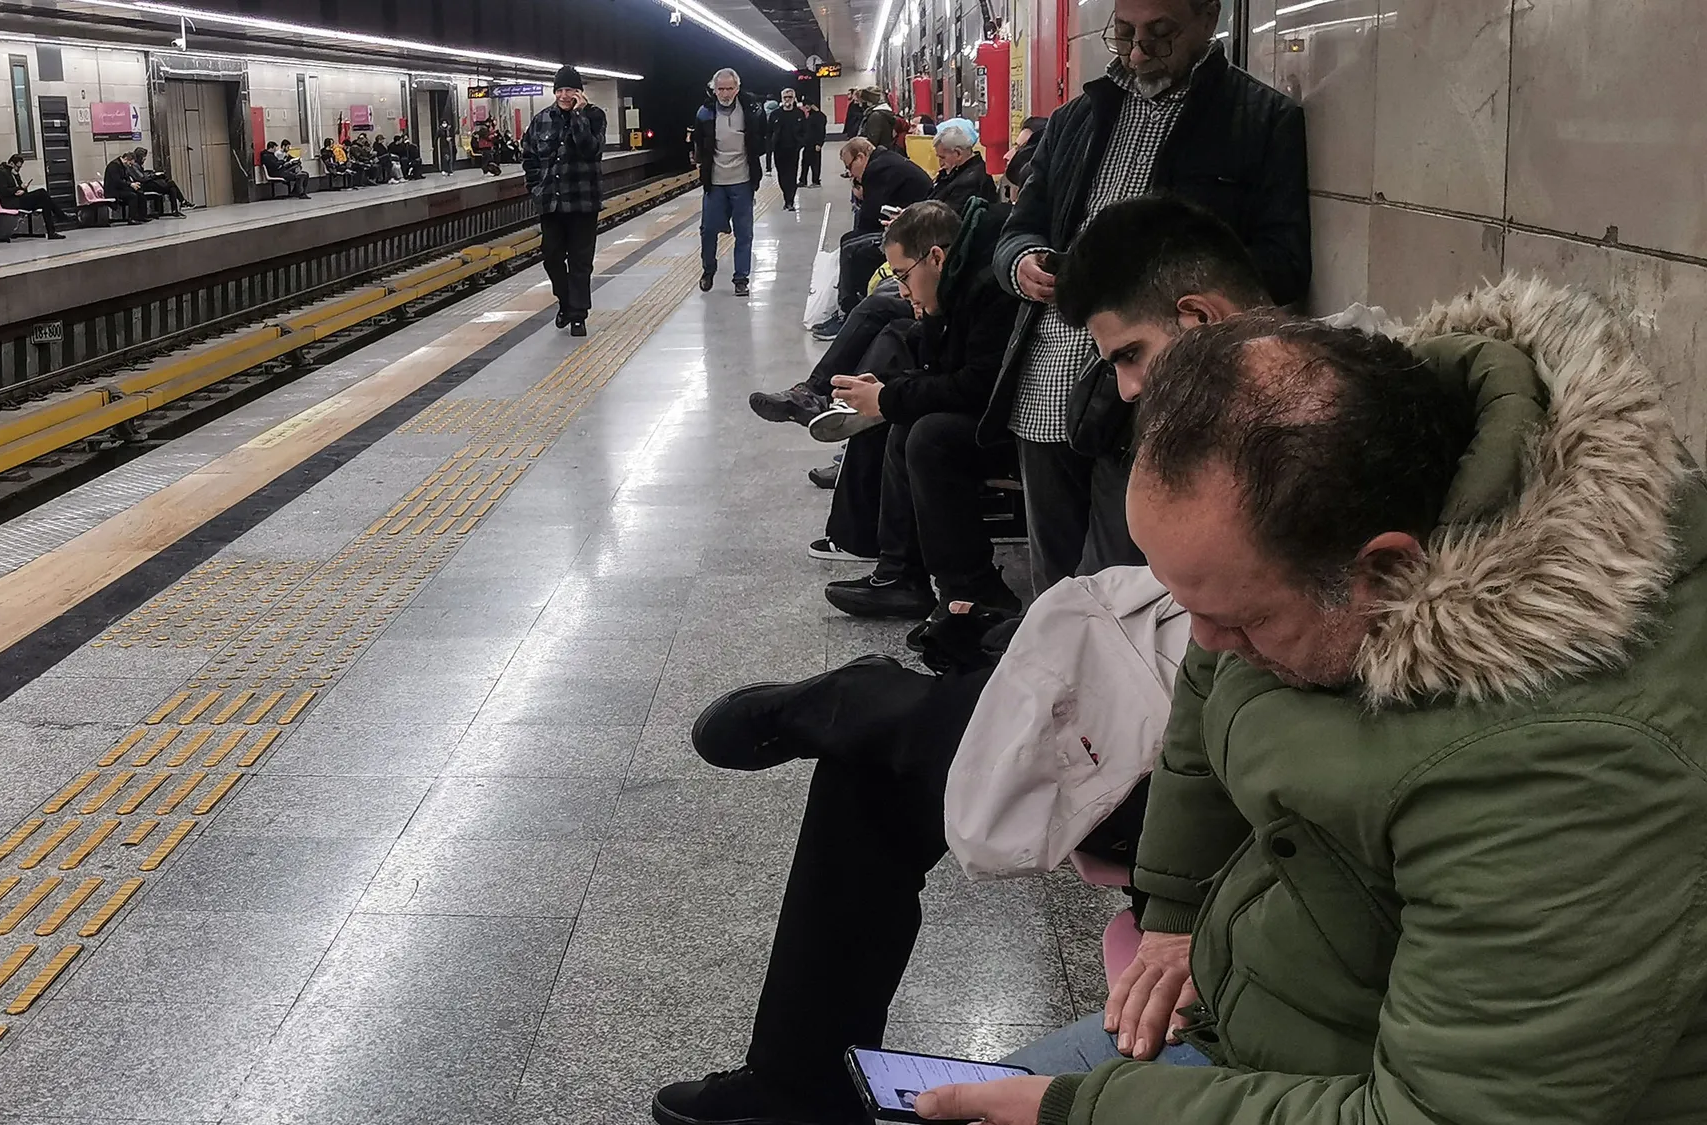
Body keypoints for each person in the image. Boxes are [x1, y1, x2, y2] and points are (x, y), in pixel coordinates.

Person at [911, 278, 1707, 1125]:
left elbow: (1443, 1112)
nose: (1206, 644)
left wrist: (1086, 1112)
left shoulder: (1578, 771)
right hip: (1282, 1010)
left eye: (1238, 618)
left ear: (1392, 572)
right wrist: (1174, 909)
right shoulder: (1340, 534)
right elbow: (1209, 697)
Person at [646, 197, 1317, 1125]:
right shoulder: (1277, 428)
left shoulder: (1322, 452)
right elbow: (1212, 674)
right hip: (1211, 788)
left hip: (1250, 845)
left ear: (1198, 319)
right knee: (882, 763)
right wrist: (1168, 905)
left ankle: (876, 703)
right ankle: (795, 1081)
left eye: (1126, 355)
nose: (1124, 389)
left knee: (898, 742)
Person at [987, 0, 1309, 594]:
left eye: (1160, 36)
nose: (1138, 53)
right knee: (1053, 582)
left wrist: (1169, 289)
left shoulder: (1259, 121)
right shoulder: (1078, 117)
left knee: (1129, 585)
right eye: (1124, 34)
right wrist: (1023, 264)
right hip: (1047, 381)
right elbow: (1017, 229)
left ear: (1208, 19)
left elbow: (1284, 267)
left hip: (1152, 391)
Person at [816, 198, 1024, 622]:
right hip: (991, 411)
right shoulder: (953, 290)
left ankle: (973, 591)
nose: (903, 290)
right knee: (906, 424)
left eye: (903, 276)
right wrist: (891, 391)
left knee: (930, 437)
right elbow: (940, 371)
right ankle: (900, 576)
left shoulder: (989, 290)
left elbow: (977, 385)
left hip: (1018, 422)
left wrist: (890, 398)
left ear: (936, 257)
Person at [808, 137, 931, 339]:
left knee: (854, 249)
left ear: (861, 157)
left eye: (849, 167)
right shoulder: (885, 160)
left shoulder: (876, 169)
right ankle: (846, 308)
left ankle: (849, 312)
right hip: (913, 223)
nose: (850, 174)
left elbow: (869, 217)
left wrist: (861, 196)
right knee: (850, 241)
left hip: (914, 234)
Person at [521, 65, 608, 338]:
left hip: (583, 202)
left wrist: (579, 116)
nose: (564, 95)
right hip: (551, 203)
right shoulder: (541, 119)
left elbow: (591, 150)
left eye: (569, 90)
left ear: (579, 92)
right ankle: (566, 302)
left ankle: (578, 316)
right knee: (552, 257)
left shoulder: (594, 116)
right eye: (560, 89)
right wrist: (535, 188)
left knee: (581, 261)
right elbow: (529, 156)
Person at [693, 68, 767, 296]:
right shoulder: (704, 113)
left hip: (742, 180)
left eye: (729, 88)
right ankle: (708, 268)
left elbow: (762, 137)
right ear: (713, 89)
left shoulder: (751, 110)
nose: (725, 93)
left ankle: (741, 278)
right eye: (720, 89)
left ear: (737, 88)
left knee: (744, 232)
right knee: (708, 230)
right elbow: (698, 142)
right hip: (715, 181)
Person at [0, 154, 69, 238]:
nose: (19, 169)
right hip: (11, 202)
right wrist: (19, 188)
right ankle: (61, 216)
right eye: (18, 167)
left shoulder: (14, 173)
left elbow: (20, 188)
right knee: (42, 192)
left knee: (45, 202)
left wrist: (23, 189)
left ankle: (52, 232)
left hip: (20, 198)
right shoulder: (0, 173)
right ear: (12, 164)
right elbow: (4, 192)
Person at [927, 118, 994, 207]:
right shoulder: (959, 171)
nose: (940, 163)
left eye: (942, 157)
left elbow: (944, 215)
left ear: (958, 153)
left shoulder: (969, 182)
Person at [767, 88, 805, 211]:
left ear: (794, 98)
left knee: (792, 175)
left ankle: (790, 201)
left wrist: (801, 143)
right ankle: (786, 197)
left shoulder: (799, 114)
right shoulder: (775, 115)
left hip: (793, 149)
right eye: (785, 97)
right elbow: (769, 131)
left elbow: (804, 130)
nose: (787, 99)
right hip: (779, 149)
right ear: (781, 99)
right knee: (781, 175)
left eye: (790, 97)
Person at [130, 147, 192, 211]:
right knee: (171, 183)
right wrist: (154, 175)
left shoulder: (137, 165)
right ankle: (182, 202)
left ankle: (176, 208)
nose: (145, 159)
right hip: (145, 185)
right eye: (144, 157)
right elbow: (142, 178)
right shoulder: (135, 166)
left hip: (147, 183)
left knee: (172, 188)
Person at [103, 149, 151, 223]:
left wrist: (134, 184)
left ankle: (142, 216)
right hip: (113, 191)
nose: (130, 165)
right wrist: (130, 184)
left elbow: (126, 178)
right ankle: (132, 218)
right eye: (130, 163)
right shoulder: (114, 166)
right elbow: (117, 181)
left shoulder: (123, 166)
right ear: (126, 159)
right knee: (132, 196)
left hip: (120, 188)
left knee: (140, 192)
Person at [800, 98, 828, 187]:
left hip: (815, 144)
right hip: (807, 144)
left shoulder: (820, 116)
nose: (805, 108)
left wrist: (819, 143)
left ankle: (816, 181)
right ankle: (803, 181)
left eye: (806, 106)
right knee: (804, 163)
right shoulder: (810, 115)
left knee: (815, 163)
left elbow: (821, 131)